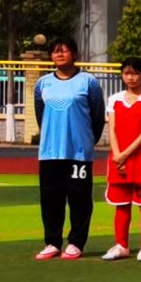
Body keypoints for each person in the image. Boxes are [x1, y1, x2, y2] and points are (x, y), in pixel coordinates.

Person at [31, 36, 104, 260]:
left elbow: (97, 116)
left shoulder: (88, 82)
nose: (59, 54)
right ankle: (52, 242)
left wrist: (86, 140)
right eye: (55, 51)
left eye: (64, 51)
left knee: (79, 197)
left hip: (78, 152)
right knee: (51, 197)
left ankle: (76, 242)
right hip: (50, 152)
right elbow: (40, 115)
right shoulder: (42, 84)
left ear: (75, 54)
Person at [102, 58, 141, 261]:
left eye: (135, 73)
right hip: (118, 159)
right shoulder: (114, 99)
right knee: (121, 203)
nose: (130, 77)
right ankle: (121, 245)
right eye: (127, 73)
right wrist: (117, 154)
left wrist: (126, 154)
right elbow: (112, 129)